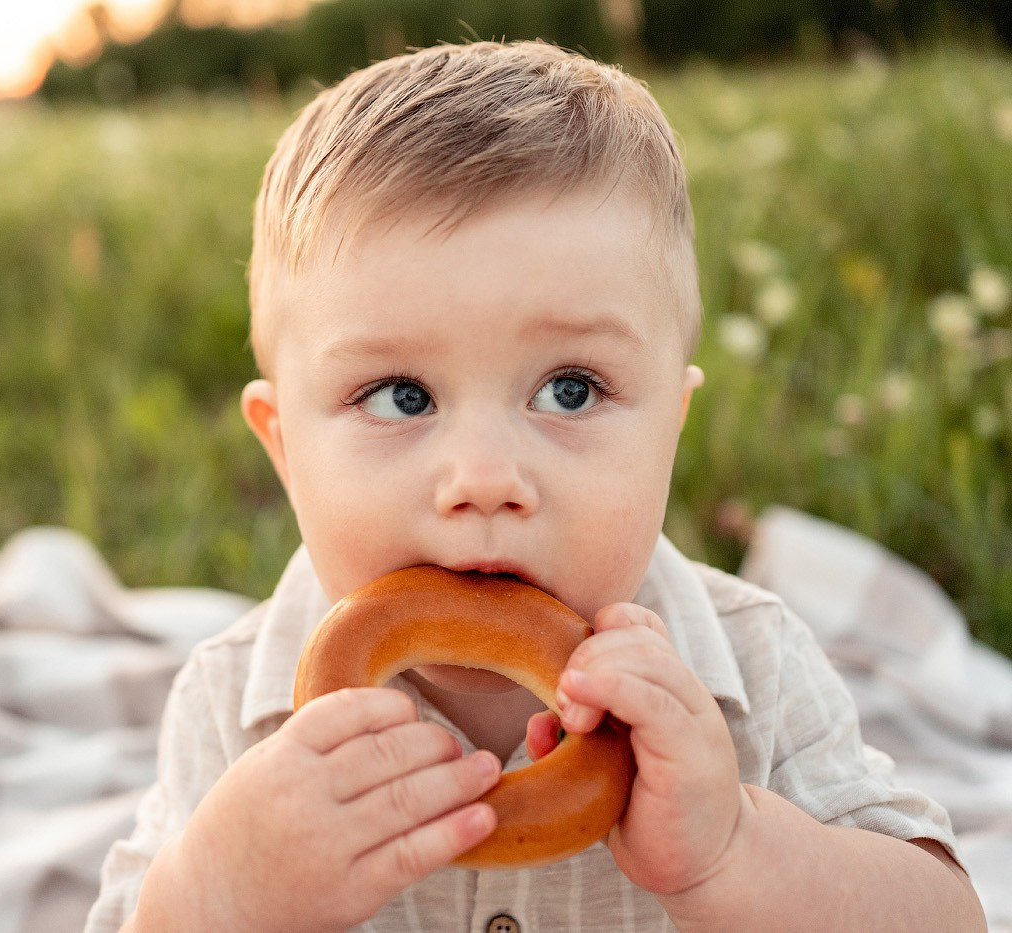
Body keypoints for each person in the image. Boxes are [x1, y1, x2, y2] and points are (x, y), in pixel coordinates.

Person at [85, 40, 987, 931]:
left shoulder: (751, 676)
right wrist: (213, 898)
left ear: (671, 424)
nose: (483, 480)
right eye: (401, 397)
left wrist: (735, 851)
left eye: (570, 389)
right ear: (284, 448)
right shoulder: (235, 709)